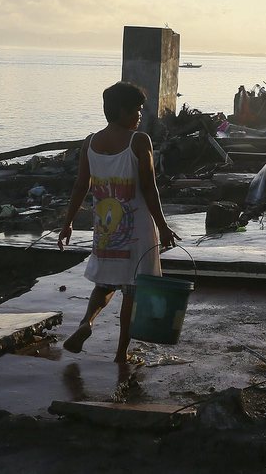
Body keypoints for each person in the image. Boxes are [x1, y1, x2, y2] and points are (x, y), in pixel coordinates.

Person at [57, 82, 180, 362]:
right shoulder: (139, 141)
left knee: (104, 284)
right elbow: (149, 189)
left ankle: (87, 322)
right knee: (132, 291)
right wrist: (162, 225)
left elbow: (80, 186)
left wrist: (68, 223)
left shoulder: (90, 142)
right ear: (122, 111)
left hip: (106, 230)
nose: (140, 116)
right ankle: (121, 354)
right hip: (136, 231)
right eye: (136, 110)